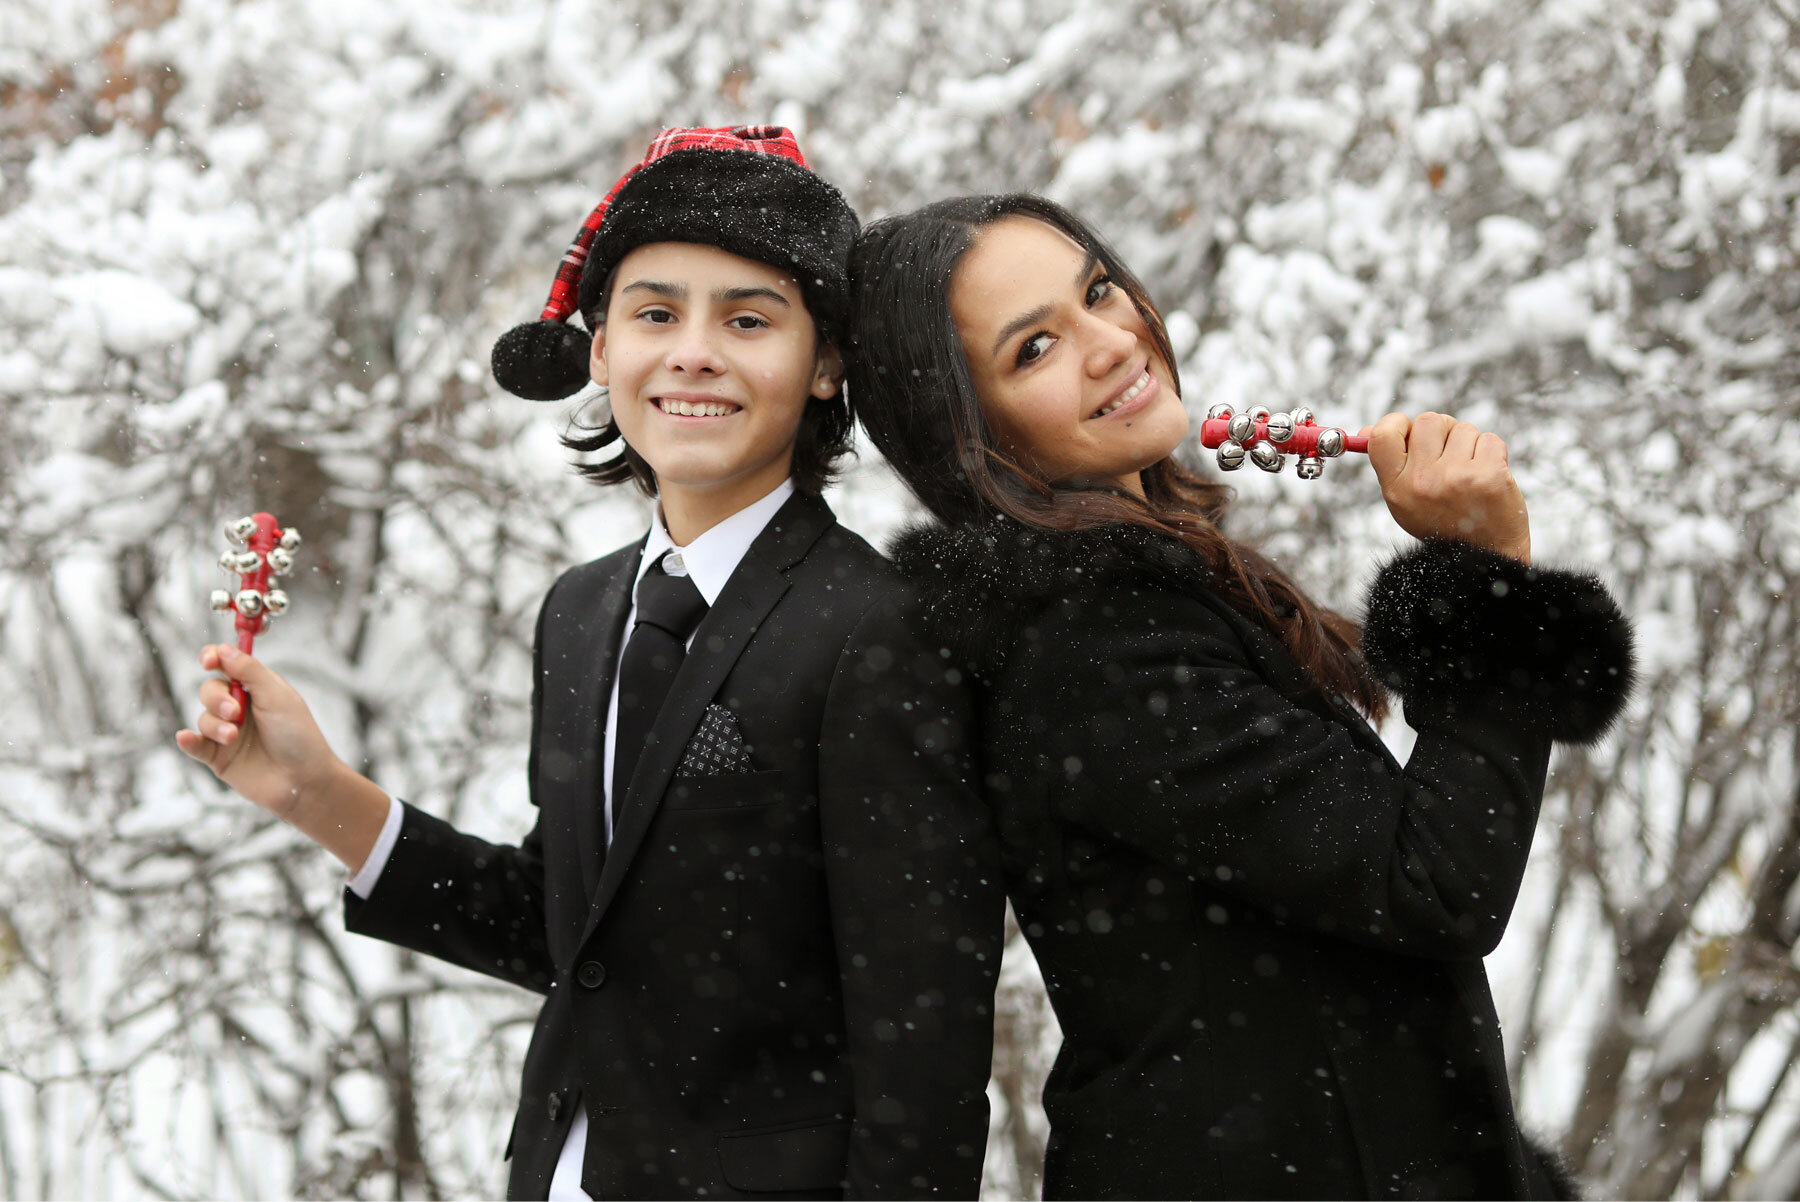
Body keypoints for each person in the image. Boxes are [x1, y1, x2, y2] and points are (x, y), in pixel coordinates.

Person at [176, 128, 1004, 1201]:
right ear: (600, 346)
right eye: (656, 313)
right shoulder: (580, 613)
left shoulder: (880, 630)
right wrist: (319, 793)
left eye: (749, 319)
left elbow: (923, 1043)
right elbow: (573, 934)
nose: (694, 352)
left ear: (826, 359)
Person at [846, 193, 1633, 1200]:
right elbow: (1433, 878)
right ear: (969, 431)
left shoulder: (1135, 594)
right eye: (1034, 347)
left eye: (1097, 290)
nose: (1110, 342)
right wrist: (1485, 565)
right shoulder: (1092, 646)